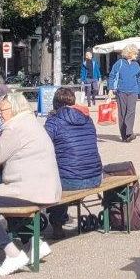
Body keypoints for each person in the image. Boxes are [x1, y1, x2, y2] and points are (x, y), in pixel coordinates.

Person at [0, 92, 62, 276]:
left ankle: (12, 254)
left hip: (29, 189)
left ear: (13, 109)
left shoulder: (14, 127)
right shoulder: (31, 122)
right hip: (46, 187)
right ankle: (33, 244)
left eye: (2, 110)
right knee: (2, 199)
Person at [43, 86, 103, 236]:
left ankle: (57, 222)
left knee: (54, 178)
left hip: (71, 180)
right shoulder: (87, 119)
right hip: (95, 177)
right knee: (64, 169)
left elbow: (42, 146)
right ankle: (57, 218)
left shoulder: (53, 122)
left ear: (55, 104)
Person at [107, 44, 140, 142]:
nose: (136, 55)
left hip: (133, 91)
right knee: (122, 113)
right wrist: (110, 89)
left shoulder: (136, 65)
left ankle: (129, 132)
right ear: (129, 53)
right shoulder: (119, 63)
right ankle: (124, 136)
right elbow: (112, 76)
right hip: (121, 91)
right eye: (135, 54)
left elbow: (139, 79)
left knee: (131, 112)